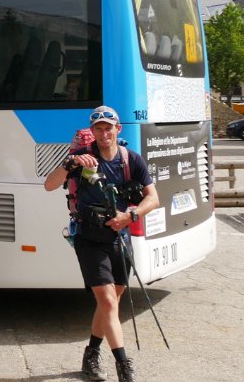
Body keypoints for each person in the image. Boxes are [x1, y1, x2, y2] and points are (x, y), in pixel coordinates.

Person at [43, 106, 159, 382]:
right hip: (89, 237)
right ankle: (124, 366)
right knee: (107, 301)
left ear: (118, 129)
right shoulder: (82, 158)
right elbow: (49, 184)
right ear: (92, 132)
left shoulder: (131, 160)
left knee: (111, 302)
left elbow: (153, 198)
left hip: (120, 237)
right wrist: (70, 164)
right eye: (98, 128)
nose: (104, 133)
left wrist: (129, 215)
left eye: (109, 128)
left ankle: (91, 353)